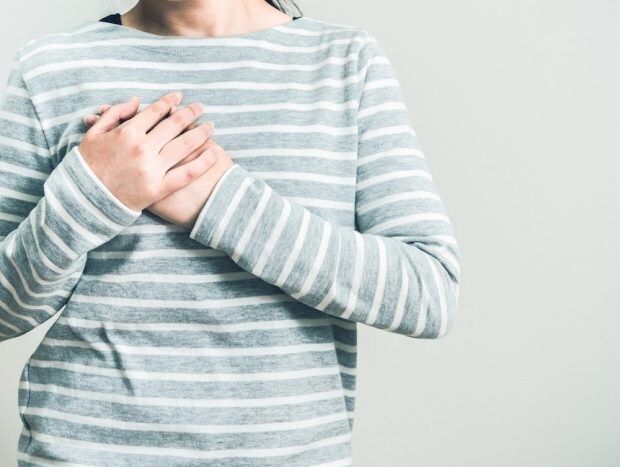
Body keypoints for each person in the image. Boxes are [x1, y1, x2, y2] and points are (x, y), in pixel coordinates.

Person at [0, 0, 461, 464]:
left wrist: (219, 201)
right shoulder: (49, 67)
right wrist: (91, 195)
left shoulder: (344, 61)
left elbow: (429, 295)